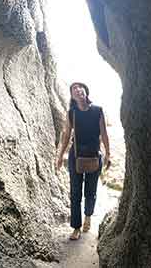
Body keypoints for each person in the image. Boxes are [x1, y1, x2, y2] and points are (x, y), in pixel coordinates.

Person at [55, 81, 111, 240]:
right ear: (72, 96)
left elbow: (104, 133)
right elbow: (66, 135)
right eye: (74, 89)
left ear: (86, 91)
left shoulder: (98, 110)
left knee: (90, 192)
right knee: (75, 193)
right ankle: (76, 227)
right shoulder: (72, 113)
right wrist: (59, 156)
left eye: (80, 87)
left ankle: (88, 215)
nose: (78, 90)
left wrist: (108, 154)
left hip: (94, 155)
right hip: (76, 156)